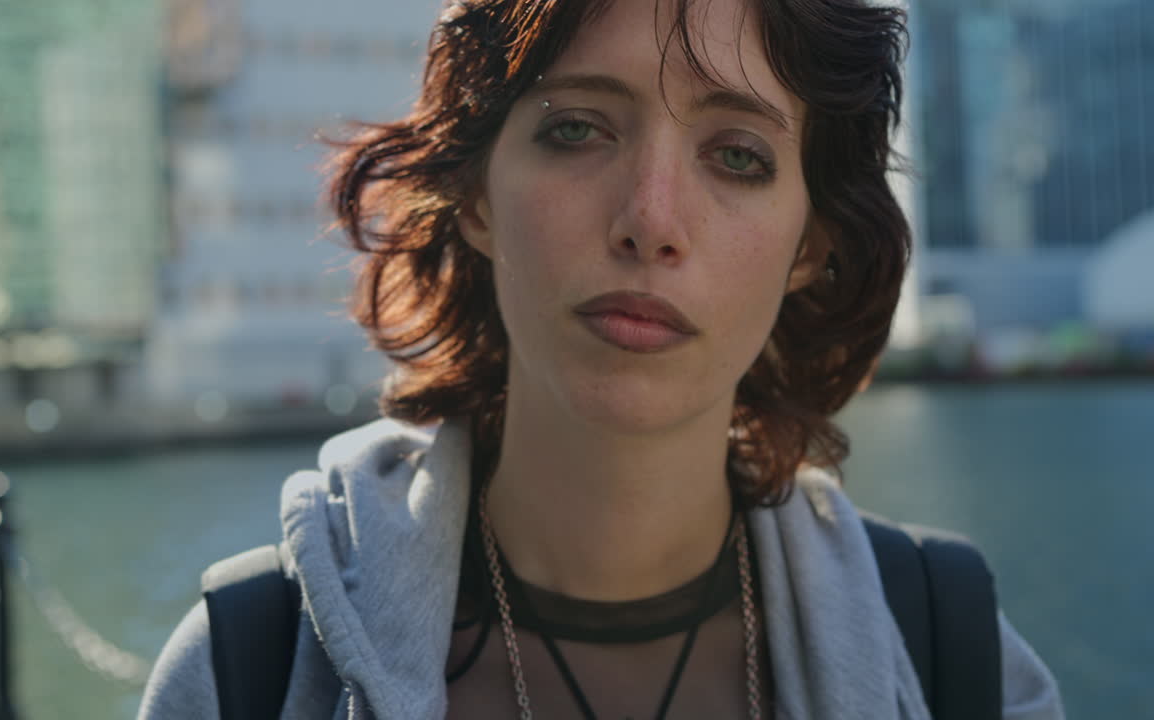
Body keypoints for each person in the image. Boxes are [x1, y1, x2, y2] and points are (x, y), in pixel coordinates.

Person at [140, 0, 1066, 718]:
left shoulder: (952, 653)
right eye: (577, 129)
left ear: (813, 245)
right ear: (475, 195)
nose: (652, 221)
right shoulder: (248, 669)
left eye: (738, 156)